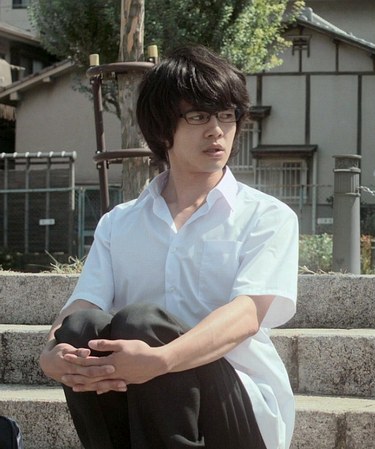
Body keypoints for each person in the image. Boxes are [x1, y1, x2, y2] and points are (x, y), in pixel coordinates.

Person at [38, 45, 299, 449]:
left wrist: (161, 361)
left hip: (235, 403)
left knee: (141, 322)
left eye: (226, 116)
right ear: (162, 130)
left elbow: (247, 315)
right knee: (80, 330)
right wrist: (50, 354)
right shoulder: (119, 223)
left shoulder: (266, 216)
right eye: (198, 116)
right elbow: (83, 302)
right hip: (140, 404)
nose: (217, 130)